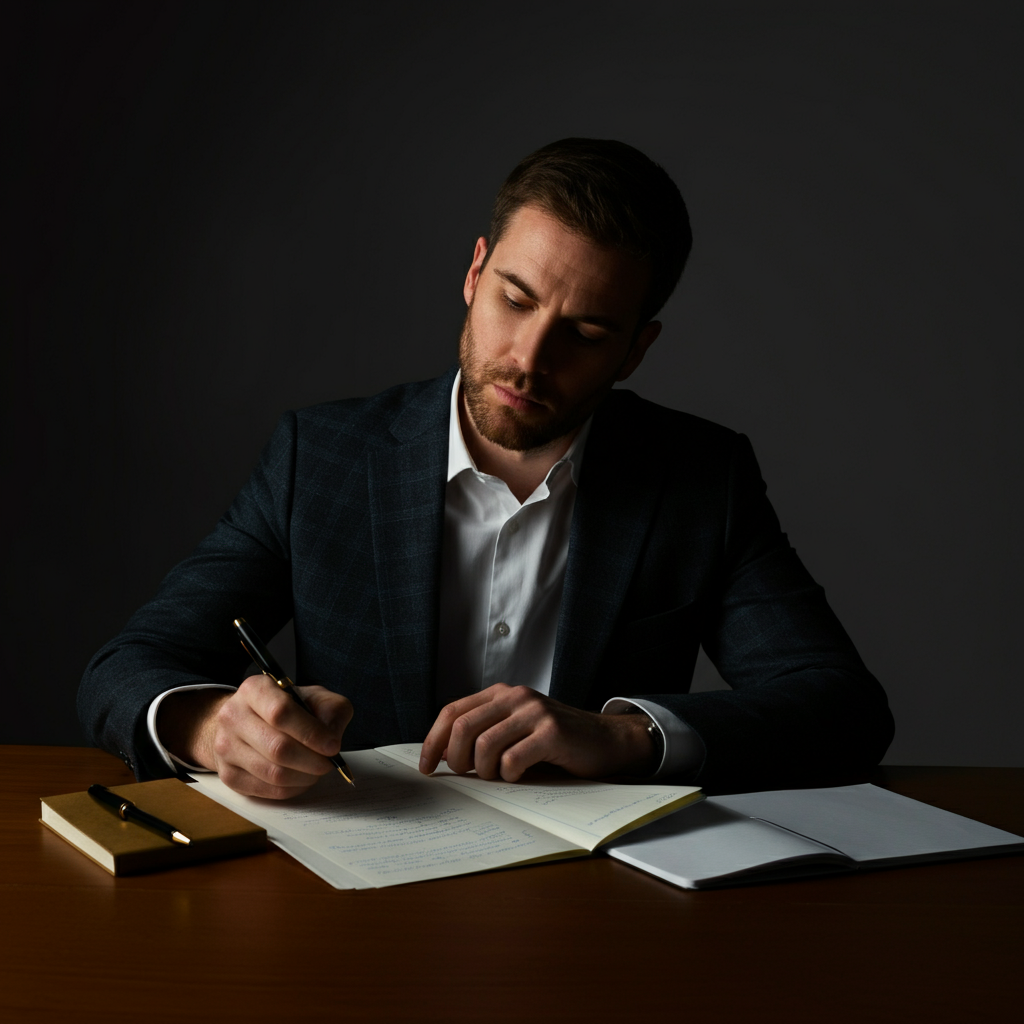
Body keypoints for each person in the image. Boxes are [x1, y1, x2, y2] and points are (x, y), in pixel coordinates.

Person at [78, 138, 894, 799]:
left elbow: (842, 711)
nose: (530, 359)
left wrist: (619, 733)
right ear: (474, 275)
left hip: (596, 907)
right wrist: (212, 728)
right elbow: (124, 668)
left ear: (637, 350)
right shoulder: (320, 457)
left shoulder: (700, 478)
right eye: (515, 297)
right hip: (360, 884)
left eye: (586, 332)